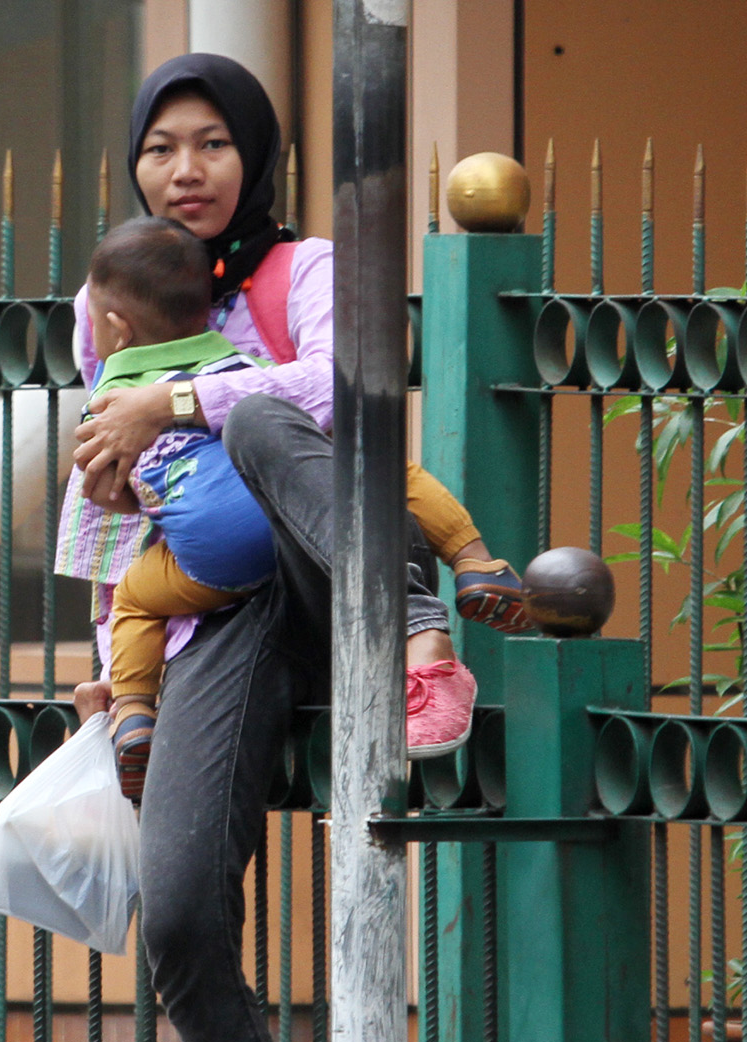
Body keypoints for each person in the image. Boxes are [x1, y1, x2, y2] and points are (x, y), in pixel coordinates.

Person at [52, 53, 514, 1042]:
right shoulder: (114, 299)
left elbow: (338, 382)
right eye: (161, 147)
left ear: (252, 154)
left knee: (257, 420)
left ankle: (425, 646)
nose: (184, 169)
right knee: (182, 905)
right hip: (218, 614)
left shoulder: (298, 268)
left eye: (210, 143)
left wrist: (182, 402)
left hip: (341, 571)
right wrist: (114, 668)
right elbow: (107, 505)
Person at [80, 214, 531, 800]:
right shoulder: (245, 370)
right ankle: (475, 563)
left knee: (138, 596)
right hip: (292, 531)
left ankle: (133, 713)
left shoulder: (108, 401)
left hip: (209, 563)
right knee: (381, 468)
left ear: (115, 330)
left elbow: (110, 498)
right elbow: (322, 408)